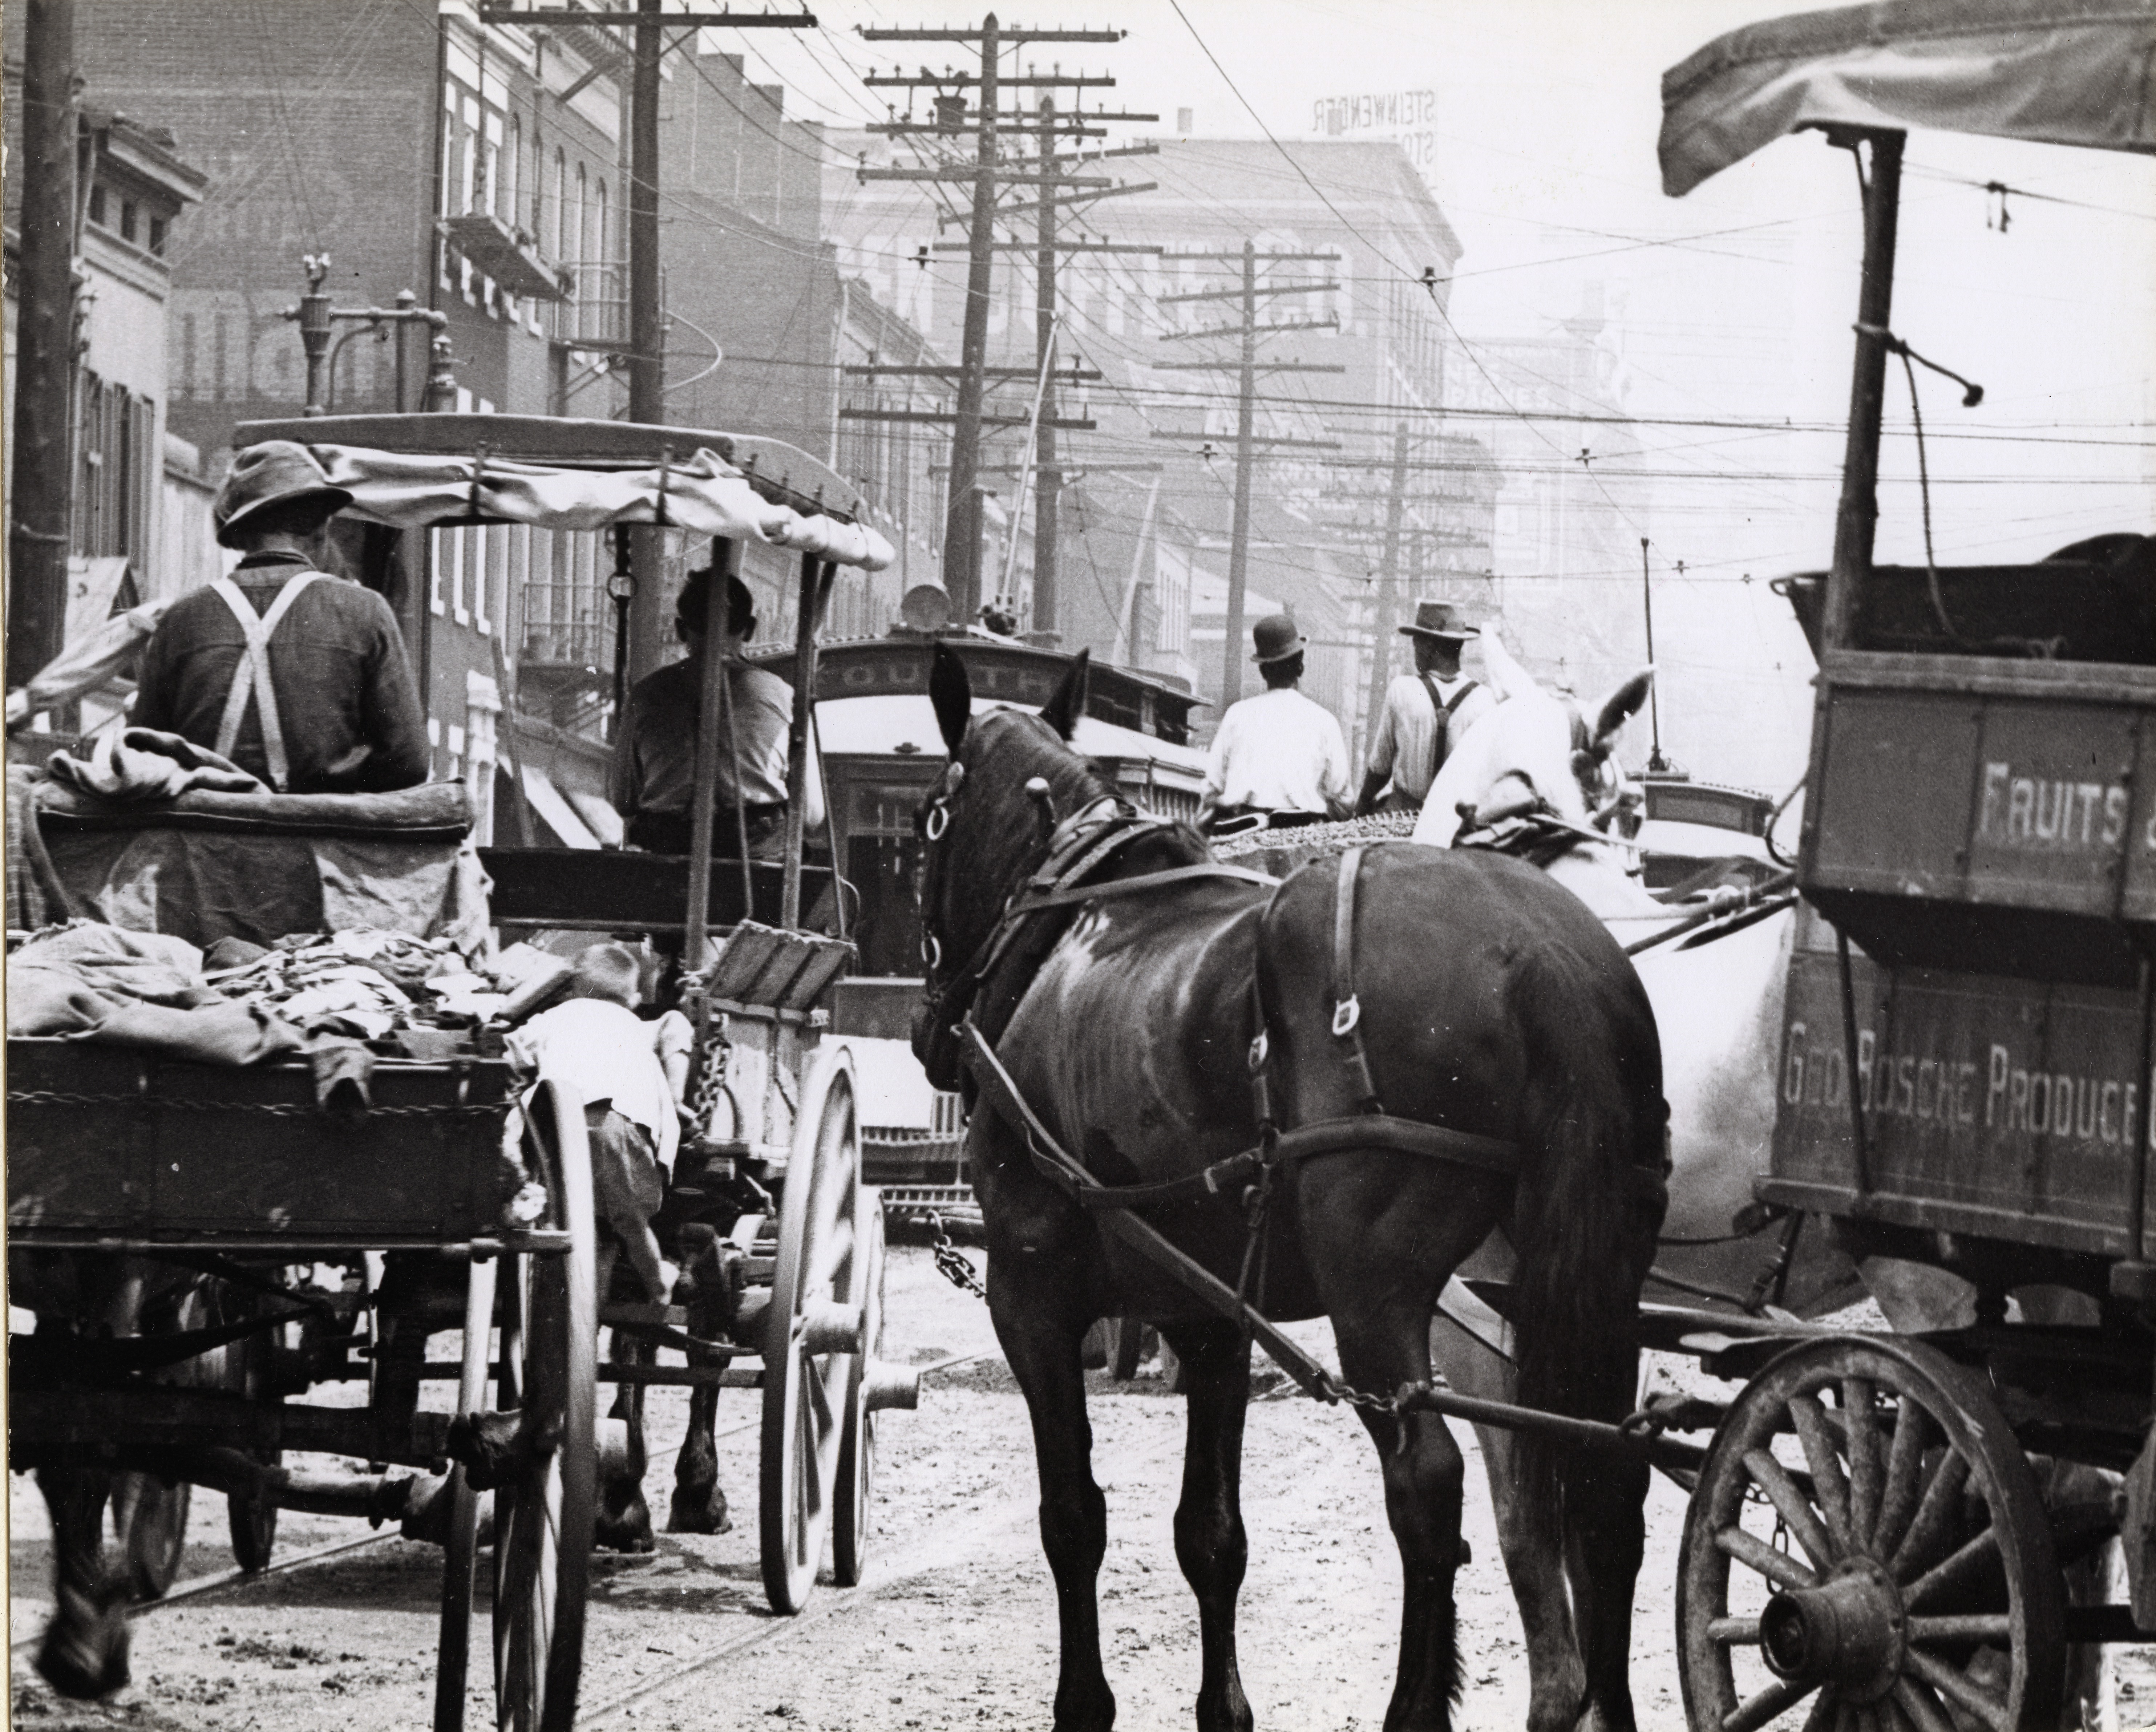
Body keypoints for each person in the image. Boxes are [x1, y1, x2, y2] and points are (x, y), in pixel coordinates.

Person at [130, 441, 429, 793]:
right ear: (322, 528)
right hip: (324, 839)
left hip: (202, 840)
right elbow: (409, 763)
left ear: (243, 535)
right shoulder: (367, 611)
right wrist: (331, 785)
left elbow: (141, 754)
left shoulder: (180, 619)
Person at [507, 942, 693, 1303]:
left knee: (574, 1225)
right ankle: (657, 1282)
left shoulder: (551, 1018)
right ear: (634, 998)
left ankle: (579, 1316)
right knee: (628, 1223)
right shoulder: (638, 1025)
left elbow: (511, 1052)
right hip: (618, 1126)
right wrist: (676, 1097)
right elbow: (676, 1027)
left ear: (572, 988)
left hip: (556, 1132)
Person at [609, 558, 824, 857]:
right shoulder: (784, 696)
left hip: (668, 848)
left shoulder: (645, 694)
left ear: (681, 630)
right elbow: (812, 815)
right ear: (749, 629)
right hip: (752, 854)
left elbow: (623, 800)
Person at [1194, 613, 1351, 832]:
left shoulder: (1237, 715)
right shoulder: (1325, 721)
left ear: (1263, 670)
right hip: (1302, 834)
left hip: (1240, 831)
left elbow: (1212, 789)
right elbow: (1343, 798)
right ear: (1301, 667)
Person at [1355, 598, 1498, 817]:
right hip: (1455, 823)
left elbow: (1380, 768)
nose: (1415, 651)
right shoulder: (1486, 700)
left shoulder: (1402, 689)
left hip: (1404, 819)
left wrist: (1362, 806)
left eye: (1416, 644)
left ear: (1428, 646)